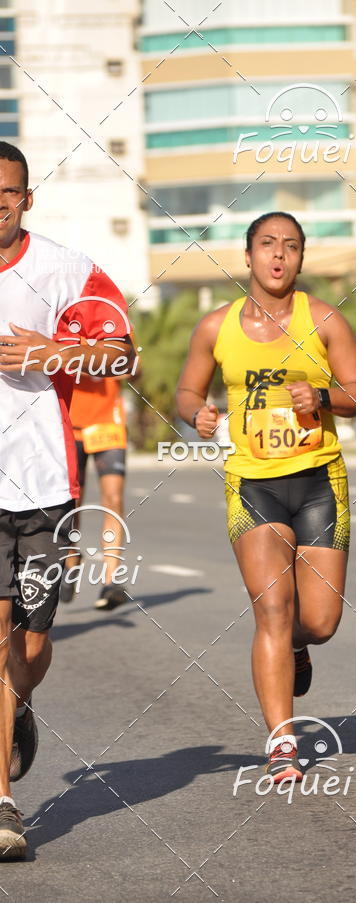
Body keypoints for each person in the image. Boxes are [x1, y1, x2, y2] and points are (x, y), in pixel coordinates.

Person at [176, 211, 356, 782]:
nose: (278, 255)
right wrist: (199, 413)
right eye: (267, 245)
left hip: (318, 479)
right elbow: (188, 389)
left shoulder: (325, 320)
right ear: (248, 256)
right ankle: (282, 743)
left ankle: (296, 648)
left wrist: (323, 396)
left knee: (318, 621)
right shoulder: (217, 327)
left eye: (290, 246)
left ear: (301, 258)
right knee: (272, 610)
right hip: (252, 481)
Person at [0, 141, 134, 856]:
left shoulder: (65, 268)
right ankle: (4, 803)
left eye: (10, 191)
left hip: (47, 484)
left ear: (27, 197)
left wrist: (51, 353)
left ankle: (18, 703)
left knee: (32, 640)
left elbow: (121, 352)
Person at [62, 374, 130, 611]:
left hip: (107, 423)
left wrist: (114, 363)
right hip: (70, 421)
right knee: (72, 501)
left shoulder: (115, 333)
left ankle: (111, 580)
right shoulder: (60, 333)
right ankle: (71, 558)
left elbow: (133, 366)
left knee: (114, 498)